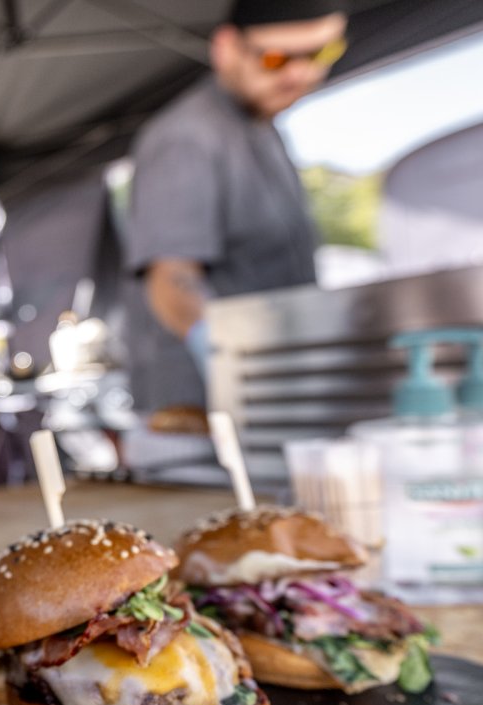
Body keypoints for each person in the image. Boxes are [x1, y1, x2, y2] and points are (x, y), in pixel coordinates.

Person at [124, 0, 347, 415]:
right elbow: (172, 279)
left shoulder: (264, 129)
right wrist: (232, 361)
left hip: (275, 400)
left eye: (320, 54)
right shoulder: (187, 138)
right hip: (202, 419)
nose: (300, 74)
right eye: (276, 57)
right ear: (227, 49)